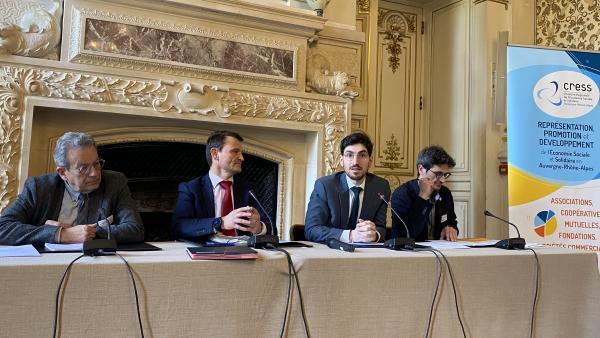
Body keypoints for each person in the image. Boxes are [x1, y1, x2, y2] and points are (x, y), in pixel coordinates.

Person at [0, 132, 144, 246]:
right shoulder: (39, 188)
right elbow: (3, 228)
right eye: (83, 168)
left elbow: (135, 230)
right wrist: (61, 234)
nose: (94, 173)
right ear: (63, 173)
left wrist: (87, 232)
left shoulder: (114, 182)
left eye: (96, 163)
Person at [172, 130, 274, 240]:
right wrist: (221, 222)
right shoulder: (191, 188)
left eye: (241, 153)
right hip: (206, 252)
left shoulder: (249, 189)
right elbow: (179, 227)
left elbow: (271, 227)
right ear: (215, 154)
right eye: (235, 152)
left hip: (242, 251)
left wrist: (258, 227)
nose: (242, 158)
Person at [304, 132, 390, 243]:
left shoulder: (381, 187)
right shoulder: (325, 186)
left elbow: (381, 228)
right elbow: (311, 230)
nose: (355, 162)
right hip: (330, 253)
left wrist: (374, 235)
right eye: (349, 155)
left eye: (362, 155)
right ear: (341, 160)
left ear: (370, 161)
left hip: (365, 253)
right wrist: (350, 235)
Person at [391, 145, 458, 242]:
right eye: (438, 174)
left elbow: (452, 221)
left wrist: (451, 228)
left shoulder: (445, 193)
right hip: (409, 254)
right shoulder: (402, 194)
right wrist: (423, 197)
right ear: (421, 169)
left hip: (440, 251)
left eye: (445, 175)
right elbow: (406, 234)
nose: (443, 180)